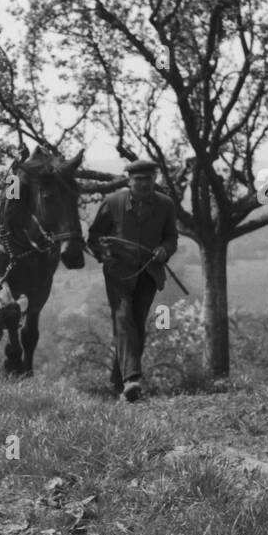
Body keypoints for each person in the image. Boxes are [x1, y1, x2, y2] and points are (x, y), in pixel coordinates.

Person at [88, 160, 178, 402]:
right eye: (138, 179)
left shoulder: (166, 205)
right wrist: (104, 254)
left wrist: (164, 250)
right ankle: (132, 379)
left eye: (148, 179)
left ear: (155, 179)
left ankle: (119, 383)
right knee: (123, 317)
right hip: (118, 273)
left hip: (149, 273)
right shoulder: (113, 202)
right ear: (129, 181)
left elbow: (171, 238)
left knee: (136, 325)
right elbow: (94, 237)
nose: (143, 184)